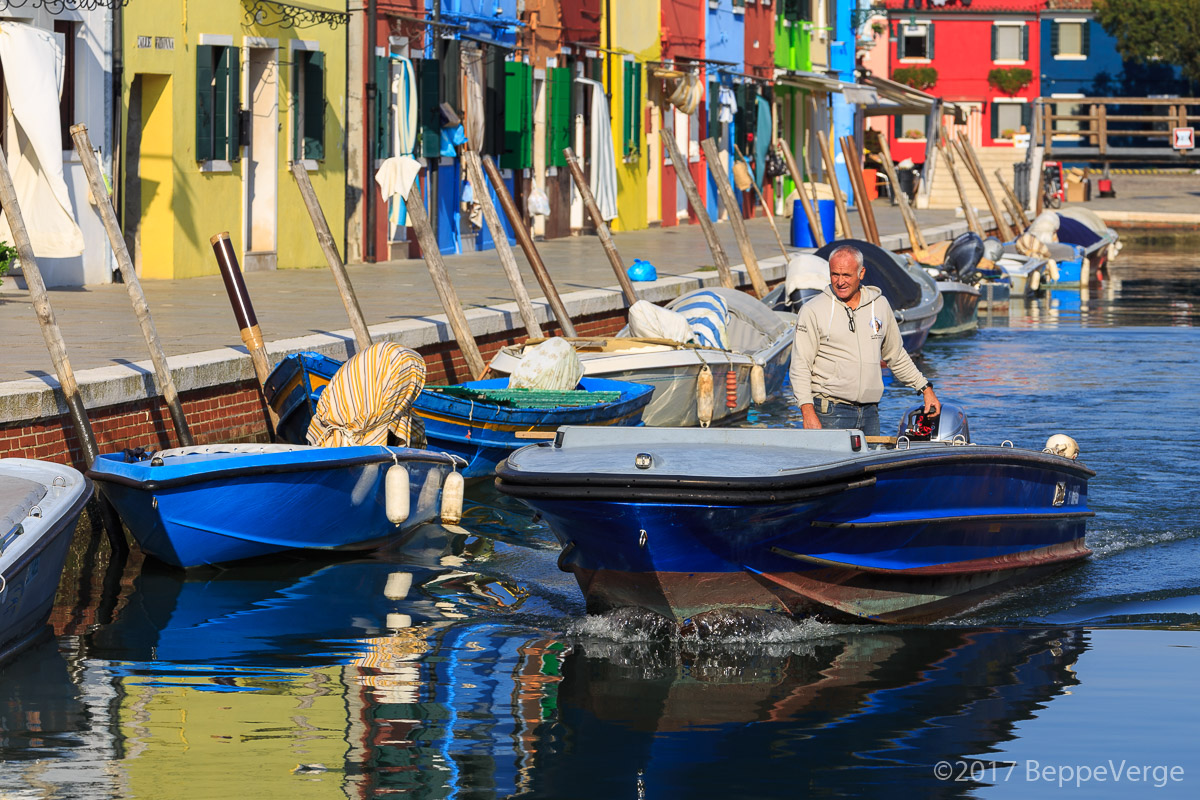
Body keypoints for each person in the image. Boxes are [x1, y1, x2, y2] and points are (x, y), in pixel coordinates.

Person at [789, 245, 940, 436]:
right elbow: (800, 365)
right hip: (830, 413)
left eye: (847, 275)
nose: (840, 282)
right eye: (835, 274)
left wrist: (925, 388)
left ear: (861, 273)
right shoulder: (812, 310)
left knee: (873, 466)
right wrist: (807, 411)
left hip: (870, 412)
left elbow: (896, 355)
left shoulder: (880, 305)